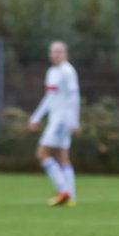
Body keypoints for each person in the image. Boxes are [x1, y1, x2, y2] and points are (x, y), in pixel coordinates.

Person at [28, 41, 81, 207]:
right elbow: (49, 98)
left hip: (62, 119)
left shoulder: (68, 71)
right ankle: (70, 196)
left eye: (59, 52)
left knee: (41, 153)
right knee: (62, 156)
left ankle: (63, 190)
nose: (55, 55)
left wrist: (75, 121)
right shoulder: (51, 72)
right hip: (56, 118)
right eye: (53, 52)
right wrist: (36, 118)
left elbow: (74, 97)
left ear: (65, 54)